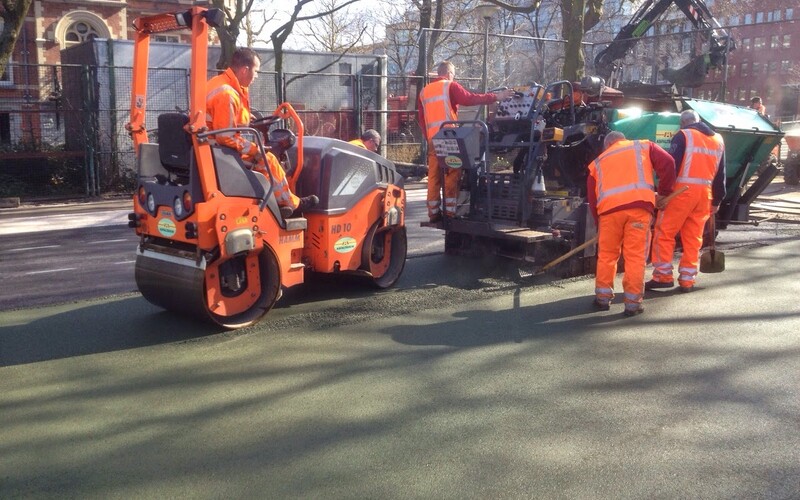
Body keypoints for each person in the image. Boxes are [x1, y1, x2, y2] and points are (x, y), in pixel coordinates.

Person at [206, 48, 317, 218]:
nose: (256, 77)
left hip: (211, 149)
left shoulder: (216, 83)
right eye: (256, 71)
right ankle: (291, 204)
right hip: (220, 152)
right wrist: (255, 149)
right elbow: (225, 136)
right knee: (269, 159)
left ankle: (273, 201)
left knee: (263, 154)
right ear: (245, 70)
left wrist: (247, 118)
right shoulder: (227, 94)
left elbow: (223, 119)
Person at [588, 131, 676, 317]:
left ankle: (603, 298)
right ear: (622, 139)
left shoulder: (597, 163)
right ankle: (633, 304)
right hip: (638, 210)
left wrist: (599, 225)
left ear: (607, 145)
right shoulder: (643, 146)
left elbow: (592, 198)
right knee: (635, 257)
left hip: (608, 214)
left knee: (607, 256)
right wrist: (664, 193)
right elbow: (668, 163)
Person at [417, 61, 516, 223]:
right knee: (452, 172)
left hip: (433, 138)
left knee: (434, 175)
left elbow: (421, 118)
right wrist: (496, 97)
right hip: (448, 137)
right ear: (449, 73)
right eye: (453, 74)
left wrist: (429, 135)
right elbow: (469, 99)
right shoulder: (450, 86)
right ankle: (450, 213)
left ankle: (433, 213)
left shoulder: (424, 92)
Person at [647, 110, 726, 293]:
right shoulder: (718, 140)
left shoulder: (683, 135)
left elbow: (670, 166)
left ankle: (662, 276)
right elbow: (721, 173)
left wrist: (663, 193)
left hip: (681, 193)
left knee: (664, 233)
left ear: (683, 123)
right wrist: (717, 200)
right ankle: (687, 279)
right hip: (704, 195)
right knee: (693, 237)